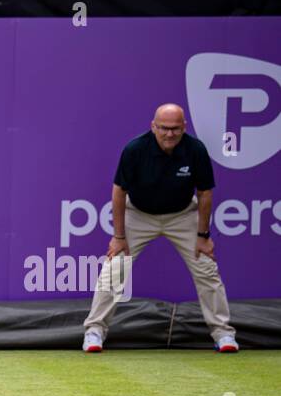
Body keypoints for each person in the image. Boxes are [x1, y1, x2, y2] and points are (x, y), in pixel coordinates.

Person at [82, 103, 238, 353]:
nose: (169, 134)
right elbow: (119, 191)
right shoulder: (135, 149)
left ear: (184, 127)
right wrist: (119, 237)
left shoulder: (195, 149)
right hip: (139, 215)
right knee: (115, 268)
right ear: (153, 126)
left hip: (182, 215)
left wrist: (203, 235)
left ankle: (223, 334)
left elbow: (205, 193)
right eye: (164, 128)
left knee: (207, 269)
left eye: (175, 129)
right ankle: (94, 330)